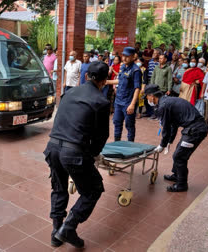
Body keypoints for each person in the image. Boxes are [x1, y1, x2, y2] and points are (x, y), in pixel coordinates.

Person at [43, 61, 110, 249]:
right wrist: (92, 155)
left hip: (53, 147)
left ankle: (56, 233)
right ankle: (68, 227)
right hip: (74, 152)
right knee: (93, 190)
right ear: (104, 81)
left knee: (59, 189)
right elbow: (101, 135)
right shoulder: (101, 101)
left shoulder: (69, 92)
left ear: (87, 76)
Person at [145, 84, 208, 192]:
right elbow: (173, 125)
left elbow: (166, 128)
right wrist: (170, 141)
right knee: (179, 152)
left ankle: (182, 184)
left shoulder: (163, 106)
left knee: (179, 156)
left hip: (195, 130)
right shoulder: (167, 101)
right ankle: (176, 175)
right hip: (192, 128)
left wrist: (162, 145)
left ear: (151, 96)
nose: (147, 99)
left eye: (147, 97)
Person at [106, 47, 141, 141]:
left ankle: (130, 145)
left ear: (133, 57)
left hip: (128, 103)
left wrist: (132, 105)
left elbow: (137, 88)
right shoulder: (122, 67)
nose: (124, 58)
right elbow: (120, 80)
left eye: (127, 56)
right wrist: (106, 82)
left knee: (129, 125)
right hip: (118, 101)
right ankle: (117, 144)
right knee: (117, 123)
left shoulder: (135, 70)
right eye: (123, 55)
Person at [142, 48, 160, 118]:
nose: (154, 55)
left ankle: (154, 113)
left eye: (156, 53)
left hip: (154, 82)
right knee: (146, 97)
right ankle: (148, 111)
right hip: (148, 81)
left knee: (153, 98)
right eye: (153, 53)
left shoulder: (159, 63)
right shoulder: (150, 61)